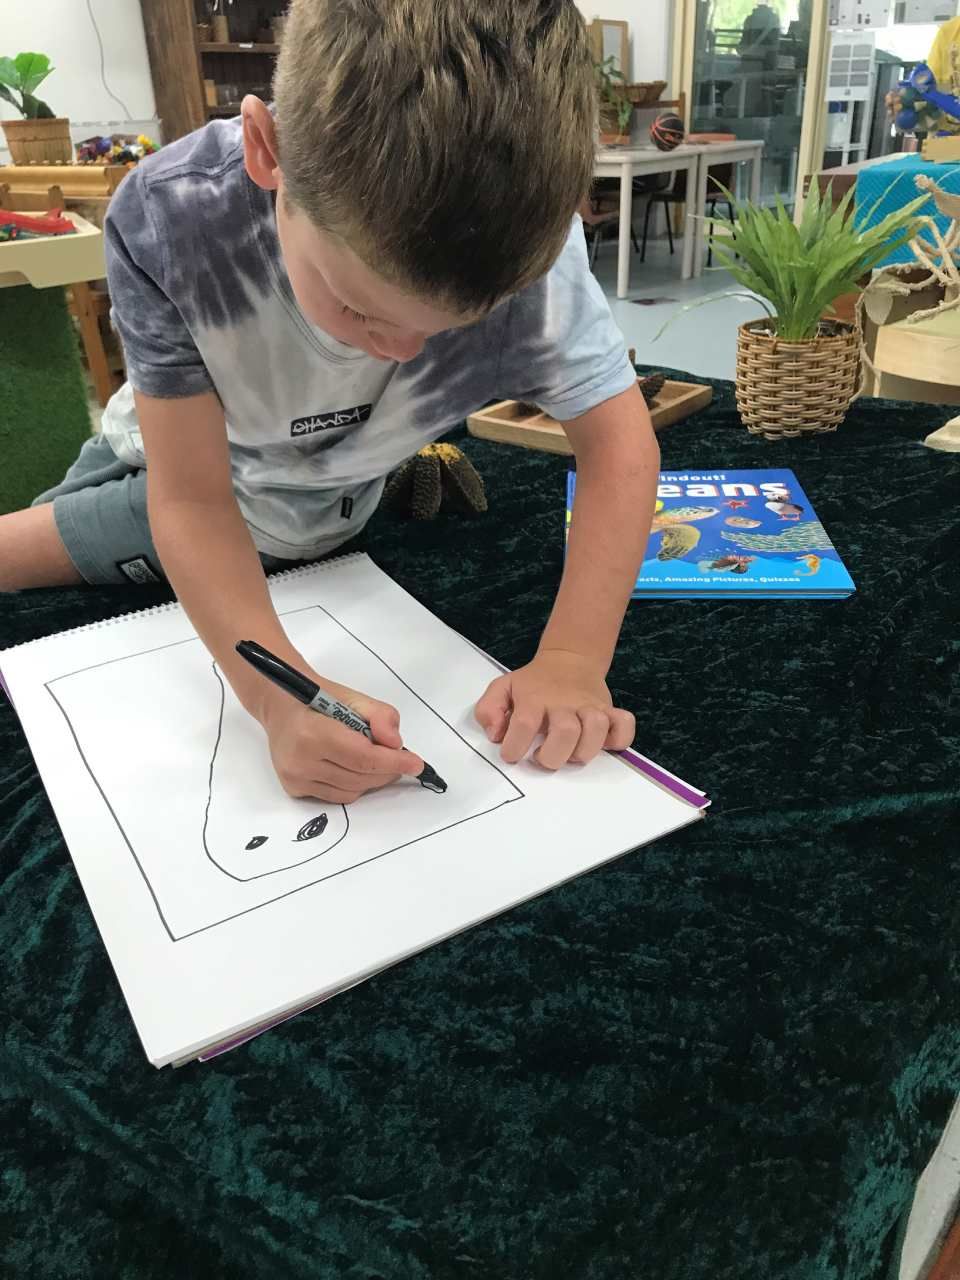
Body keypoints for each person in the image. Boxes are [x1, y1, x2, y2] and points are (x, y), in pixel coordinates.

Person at [0, 0, 659, 805]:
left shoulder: (536, 254)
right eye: (360, 309)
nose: (398, 351)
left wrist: (574, 659)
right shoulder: (170, 218)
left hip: (327, 492)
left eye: (456, 327)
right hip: (188, 463)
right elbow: (194, 501)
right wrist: (277, 702)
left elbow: (621, 447)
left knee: (303, 522)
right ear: (265, 151)